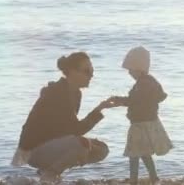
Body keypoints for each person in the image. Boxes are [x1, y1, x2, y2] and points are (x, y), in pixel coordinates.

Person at [11, 51, 113, 181]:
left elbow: (71, 129)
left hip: (55, 144)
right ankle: (50, 175)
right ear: (72, 71)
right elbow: (75, 130)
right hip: (33, 150)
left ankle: (48, 171)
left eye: (92, 71)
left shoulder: (75, 93)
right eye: (87, 71)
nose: (91, 75)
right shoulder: (57, 93)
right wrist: (98, 111)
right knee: (81, 144)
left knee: (102, 149)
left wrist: (100, 108)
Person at [108, 46, 173, 185]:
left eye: (130, 69)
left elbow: (134, 101)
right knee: (143, 152)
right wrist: (120, 99)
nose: (129, 73)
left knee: (134, 153)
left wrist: (119, 101)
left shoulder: (143, 84)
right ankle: (154, 178)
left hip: (140, 123)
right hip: (148, 122)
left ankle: (133, 180)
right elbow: (157, 96)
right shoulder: (149, 82)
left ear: (139, 68)